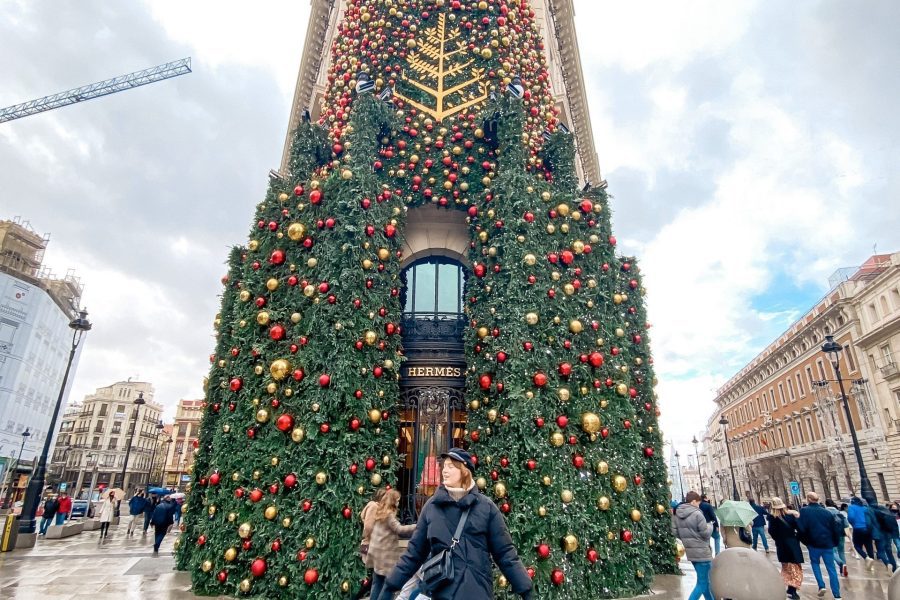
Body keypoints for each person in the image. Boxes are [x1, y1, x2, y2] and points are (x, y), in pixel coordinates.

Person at [381, 448, 533, 600]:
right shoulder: (432, 507)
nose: (444, 471)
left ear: (464, 471)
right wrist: (390, 585)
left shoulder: (486, 508)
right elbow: (413, 554)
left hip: (477, 593)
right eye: (444, 466)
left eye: (451, 466)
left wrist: (526, 590)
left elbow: (505, 553)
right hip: (443, 593)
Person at [366, 489, 417, 600]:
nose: (398, 503)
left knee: (377, 583)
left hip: (377, 554)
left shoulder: (380, 511)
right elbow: (399, 529)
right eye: (397, 500)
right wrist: (416, 526)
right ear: (393, 501)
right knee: (389, 585)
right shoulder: (389, 515)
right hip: (386, 556)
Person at [798, 491, 842, 599]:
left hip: (813, 544)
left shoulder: (804, 511)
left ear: (808, 499)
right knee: (831, 568)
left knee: (815, 564)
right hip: (827, 544)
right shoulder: (826, 512)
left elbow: (801, 528)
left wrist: (805, 541)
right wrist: (834, 542)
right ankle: (837, 594)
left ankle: (821, 585)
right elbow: (834, 529)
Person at [672, 491, 714, 600]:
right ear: (694, 501)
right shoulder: (697, 514)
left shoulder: (677, 514)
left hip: (691, 552)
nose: (698, 505)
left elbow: (675, 532)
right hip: (702, 552)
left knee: (705, 582)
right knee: (702, 584)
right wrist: (710, 526)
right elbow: (705, 533)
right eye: (698, 503)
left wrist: (687, 538)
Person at [767, 497, 803, 599]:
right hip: (792, 544)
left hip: (781, 545)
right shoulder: (790, 516)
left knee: (786, 567)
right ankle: (793, 590)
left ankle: (790, 588)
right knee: (795, 567)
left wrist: (778, 539)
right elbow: (799, 528)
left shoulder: (772, 518)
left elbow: (771, 532)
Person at [847, 496, 876, 570]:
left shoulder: (851, 507)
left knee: (857, 545)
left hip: (858, 528)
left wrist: (853, 524)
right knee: (869, 545)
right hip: (868, 528)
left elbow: (851, 517)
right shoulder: (865, 508)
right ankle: (871, 564)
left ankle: (866, 558)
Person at [825, 498, 850, 577]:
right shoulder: (839, 512)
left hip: (831, 535)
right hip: (841, 534)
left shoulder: (825, 512)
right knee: (841, 552)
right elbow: (846, 524)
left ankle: (841, 564)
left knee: (833, 552)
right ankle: (843, 569)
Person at [871, 502, 898, 572]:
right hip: (888, 534)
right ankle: (894, 569)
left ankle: (887, 563)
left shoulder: (874, 513)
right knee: (889, 552)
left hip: (880, 534)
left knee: (880, 552)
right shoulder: (886, 512)